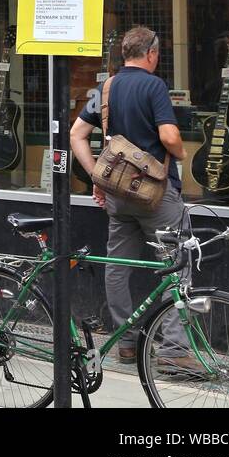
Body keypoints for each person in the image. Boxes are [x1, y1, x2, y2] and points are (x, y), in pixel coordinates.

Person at [70, 26, 196, 368]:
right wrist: (182, 153)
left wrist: (97, 174)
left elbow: (76, 134)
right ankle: (173, 352)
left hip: (119, 195)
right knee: (177, 265)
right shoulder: (154, 86)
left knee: (118, 266)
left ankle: (127, 341)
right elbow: (169, 136)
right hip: (156, 196)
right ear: (152, 54)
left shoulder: (106, 87)